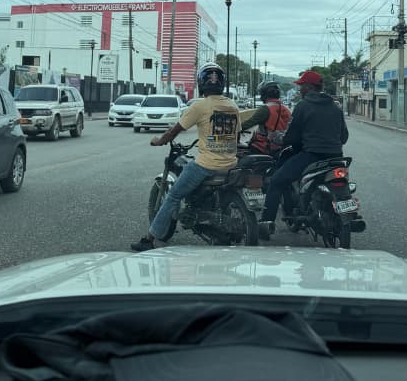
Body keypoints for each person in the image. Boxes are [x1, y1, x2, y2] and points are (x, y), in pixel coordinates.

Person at [131, 62, 240, 252]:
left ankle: (149, 239)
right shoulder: (232, 106)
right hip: (231, 164)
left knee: (173, 196)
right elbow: (236, 135)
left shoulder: (200, 106)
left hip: (207, 165)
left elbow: (175, 131)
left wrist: (160, 141)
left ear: (201, 83)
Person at [259, 69, 348, 235]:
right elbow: (344, 137)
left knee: (276, 181)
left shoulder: (303, 106)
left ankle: (266, 223)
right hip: (336, 158)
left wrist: (277, 138)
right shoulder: (336, 107)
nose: (300, 89)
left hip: (311, 157)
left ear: (308, 87)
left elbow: (291, 137)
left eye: (301, 86)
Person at [240, 80, 292, 157]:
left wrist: (235, 128)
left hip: (262, 147)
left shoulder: (266, 109)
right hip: (280, 147)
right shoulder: (286, 109)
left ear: (264, 94)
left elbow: (248, 123)